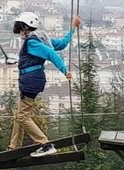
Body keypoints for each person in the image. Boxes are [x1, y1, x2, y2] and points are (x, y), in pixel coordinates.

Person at [9, 12, 82, 157]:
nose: (20, 33)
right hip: (34, 79)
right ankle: (14, 147)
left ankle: (45, 144)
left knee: (22, 116)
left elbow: (50, 53)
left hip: (30, 81)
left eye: (20, 29)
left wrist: (64, 70)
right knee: (20, 114)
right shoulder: (42, 38)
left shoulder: (32, 42)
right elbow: (62, 43)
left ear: (25, 27)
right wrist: (73, 27)